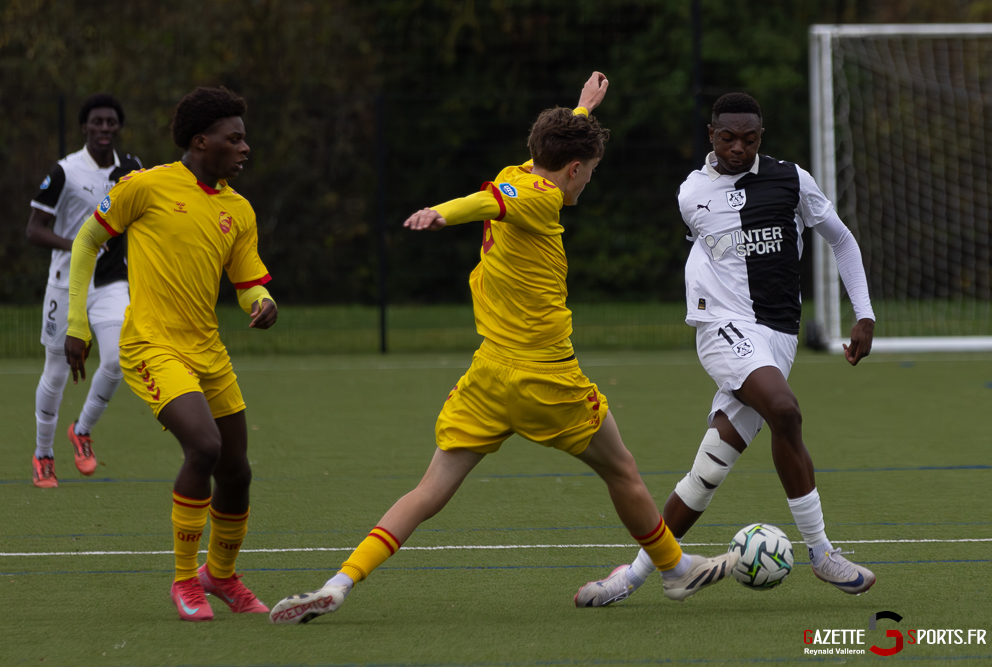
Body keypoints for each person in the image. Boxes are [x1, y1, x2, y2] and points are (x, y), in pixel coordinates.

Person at [268, 73, 732, 626]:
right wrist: (443, 213)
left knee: (428, 491)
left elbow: (527, 170)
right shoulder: (539, 197)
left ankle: (339, 583)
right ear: (574, 169)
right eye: (589, 172)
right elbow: (486, 202)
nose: (587, 182)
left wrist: (582, 110)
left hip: (487, 378)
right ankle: (675, 570)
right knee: (623, 471)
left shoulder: (521, 171)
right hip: (547, 379)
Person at [574, 92, 877, 607]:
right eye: (728, 138)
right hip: (724, 328)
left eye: (749, 139)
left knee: (709, 469)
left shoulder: (792, 180)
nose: (738, 148)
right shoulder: (692, 193)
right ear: (712, 134)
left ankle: (633, 577)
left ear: (761, 136)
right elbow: (705, 253)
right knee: (785, 410)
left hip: (779, 337)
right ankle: (822, 553)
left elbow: (841, 240)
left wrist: (864, 313)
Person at [64, 86, 278, 622]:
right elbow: (86, 241)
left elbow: (247, 282)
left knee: (237, 472)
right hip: (151, 345)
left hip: (208, 350)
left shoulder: (238, 209)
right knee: (203, 447)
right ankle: (185, 581)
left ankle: (221, 576)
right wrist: (77, 324)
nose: (245, 148)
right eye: (234, 139)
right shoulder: (145, 186)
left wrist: (262, 301)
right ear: (202, 141)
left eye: (244, 139)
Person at [26, 93, 142, 488]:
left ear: (118, 127)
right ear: (84, 127)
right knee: (56, 372)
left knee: (117, 360)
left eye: (111, 121)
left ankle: (82, 429)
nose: (104, 128)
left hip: (111, 282)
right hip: (65, 282)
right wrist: (78, 245)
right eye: (97, 121)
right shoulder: (65, 171)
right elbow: (34, 229)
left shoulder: (132, 169)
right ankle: (43, 454)